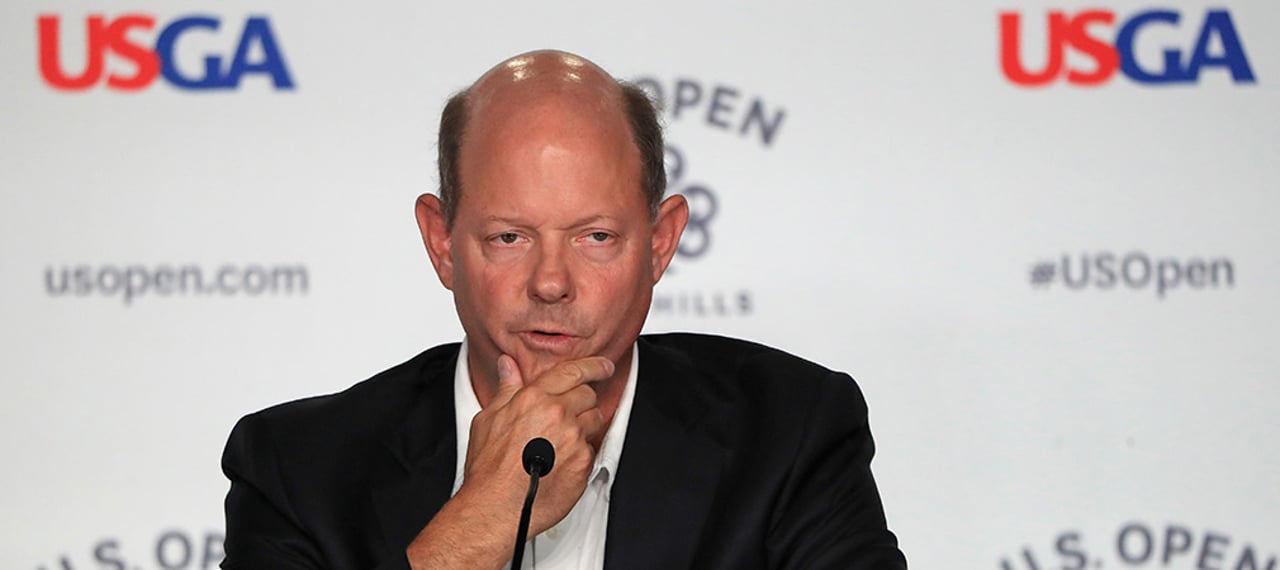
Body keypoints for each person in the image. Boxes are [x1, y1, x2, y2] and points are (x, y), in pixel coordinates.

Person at [221, 49, 907, 569]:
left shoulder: (790, 437)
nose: (551, 282)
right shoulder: (299, 470)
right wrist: (477, 524)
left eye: (596, 237)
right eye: (509, 237)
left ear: (661, 243)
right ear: (443, 243)